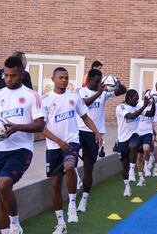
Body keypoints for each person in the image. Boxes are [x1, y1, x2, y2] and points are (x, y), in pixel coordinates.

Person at [0, 56, 45, 234]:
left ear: (22, 74)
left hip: (22, 150)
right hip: (0, 150)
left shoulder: (32, 96)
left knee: (2, 186)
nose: (8, 79)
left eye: (13, 76)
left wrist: (17, 127)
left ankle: (15, 224)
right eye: (6, 75)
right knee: (0, 195)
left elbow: (40, 124)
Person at [42, 67, 102, 234]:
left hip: (72, 142)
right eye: (60, 77)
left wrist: (96, 131)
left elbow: (85, 116)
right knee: (55, 184)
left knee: (70, 167)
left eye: (66, 77)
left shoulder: (74, 97)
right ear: (53, 79)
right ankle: (61, 223)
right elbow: (41, 127)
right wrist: (59, 141)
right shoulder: (45, 99)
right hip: (54, 146)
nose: (64, 80)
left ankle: (73, 205)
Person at [76, 69, 126, 212]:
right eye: (97, 81)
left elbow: (122, 91)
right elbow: (84, 104)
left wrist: (117, 83)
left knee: (88, 167)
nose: (99, 84)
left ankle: (84, 200)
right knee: (70, 156)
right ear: (90, 80)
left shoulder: (104, 92)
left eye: (101, 81)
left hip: (94, 134)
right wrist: (99, 92)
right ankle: (75, 175)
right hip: (79, 130)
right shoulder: (80, 92)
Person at [116, 89, 150, 197]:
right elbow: (131, 116)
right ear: (129, 97)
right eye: (135, 99)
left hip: (134, 135)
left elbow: (151, 113)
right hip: (122, 139)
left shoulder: (137, 107)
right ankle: (127, 187)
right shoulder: (121, 107)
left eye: (138, 99)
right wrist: (144, 106)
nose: (137, 101)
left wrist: (152, 103)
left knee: (134, 145)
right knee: (123, 166)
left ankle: (132, 170)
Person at [136, 90, 157, 182]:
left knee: (146, 148)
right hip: (137, 132)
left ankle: (146, 166)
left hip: (148, 132)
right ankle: (135, 172)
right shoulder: (138, 104)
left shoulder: (154, 107)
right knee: (138, 156)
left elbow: (155, 121)